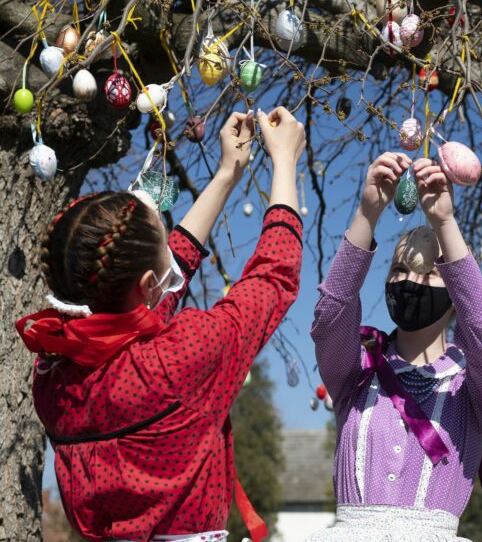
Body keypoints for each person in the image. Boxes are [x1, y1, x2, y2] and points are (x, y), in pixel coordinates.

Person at [17, 107, 306, 542]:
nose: (173, 255)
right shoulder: (177, 360)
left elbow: (152, 283)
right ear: (149, 285)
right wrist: (285, 162)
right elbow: (273, 276)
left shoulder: (53, 376)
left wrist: (227, 174)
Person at [309, 153, 482, 542]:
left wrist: (444, 222)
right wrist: (368, 213)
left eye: (430, 271)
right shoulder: (356, 373)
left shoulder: (471, 391)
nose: (409, 280)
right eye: (399, 269)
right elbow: (329, 314)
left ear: (455, 292)